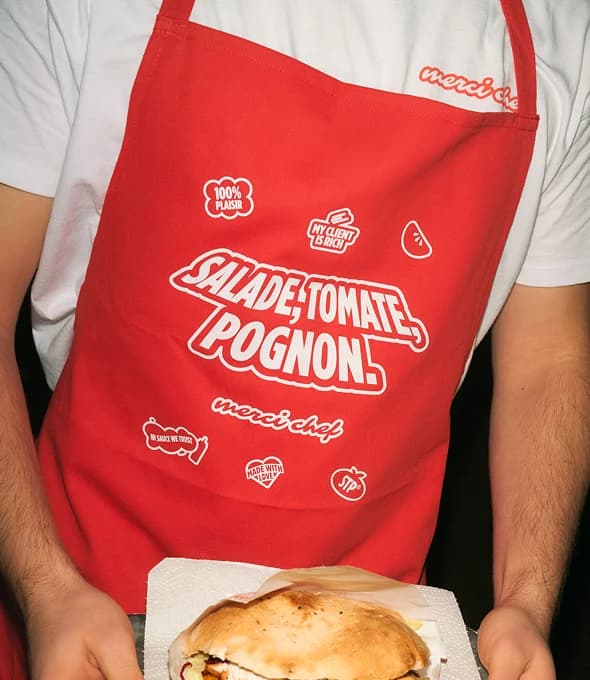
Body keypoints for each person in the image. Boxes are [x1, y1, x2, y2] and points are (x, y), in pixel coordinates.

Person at [0, 0, 588, 678]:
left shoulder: (565, 34)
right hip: (83, 604)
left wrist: (527, 601)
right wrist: (44, 586)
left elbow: (551, 356)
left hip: (376, 636)